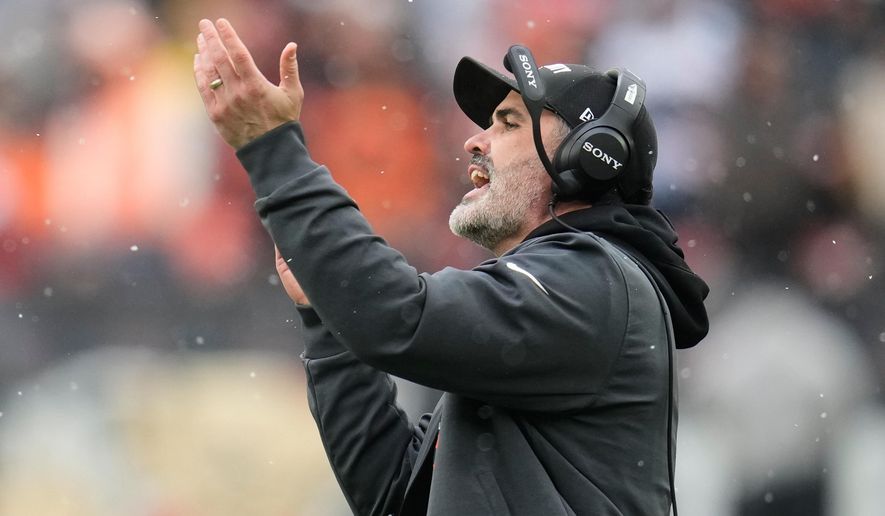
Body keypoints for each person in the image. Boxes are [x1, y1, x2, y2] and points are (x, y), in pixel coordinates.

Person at [194, 17, 709, 516]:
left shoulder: (595, 281)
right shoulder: (557, 298)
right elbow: (391, 498)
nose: (475, 141)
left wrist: (273, 148)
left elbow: (398, 317)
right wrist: (324, 313)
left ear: (589, 157)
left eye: (509, 123)